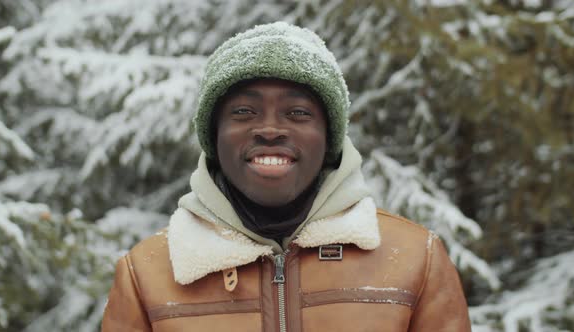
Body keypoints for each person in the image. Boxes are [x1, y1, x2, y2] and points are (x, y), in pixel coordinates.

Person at [102, 22, 471, 331]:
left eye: (297, 112)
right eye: (244, 111)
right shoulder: (146, 274)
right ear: (213, 137)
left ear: (330, 139)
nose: (270, 129)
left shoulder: (415, 259)